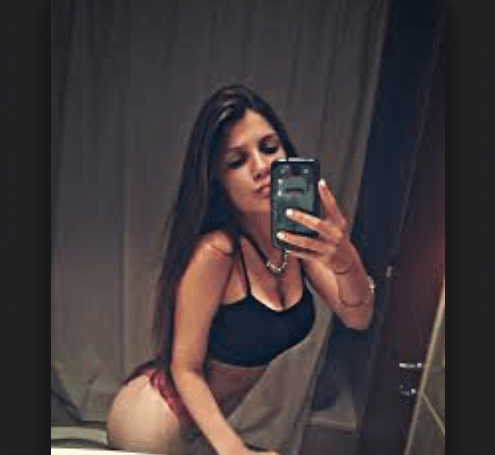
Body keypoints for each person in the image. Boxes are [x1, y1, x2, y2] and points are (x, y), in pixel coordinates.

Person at [106, 84, 374, 455]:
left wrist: (348, 263)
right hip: (153, 421)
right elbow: (185, 369)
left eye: (269, 148)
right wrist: (236, 450)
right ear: (218, 180)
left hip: (204, 426)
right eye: (236, 161)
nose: (261, 167)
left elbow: (357, 318)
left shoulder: (296, 240)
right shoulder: (218, 251)